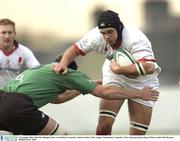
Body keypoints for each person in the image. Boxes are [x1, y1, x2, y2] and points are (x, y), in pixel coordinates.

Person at [52, 10, 161, 135]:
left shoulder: (135, 39)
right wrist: (63, 64)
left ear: (119, 28)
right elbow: (74, 50)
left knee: (137, 135)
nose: (106, 37)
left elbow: (149, 67)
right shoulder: (95, 37)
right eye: (103, 33)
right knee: (104, 126)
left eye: (110, 32)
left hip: (143, 80)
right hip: (115, 75)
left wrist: (118, 69)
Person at [0, 54, 159, 135]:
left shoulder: (44, 68)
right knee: (61, 136)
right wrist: (138, 93)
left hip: (3, 99)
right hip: (18, 105)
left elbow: (57, 99)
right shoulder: (68, 72)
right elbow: (105, 92)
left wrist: (82, 88)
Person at [0, 18, 40, 87]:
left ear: (14, 34)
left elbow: (37, 70)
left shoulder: (24, 51)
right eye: (3, 33)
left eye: (10, 32)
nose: (7, 36)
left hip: (13, 91)